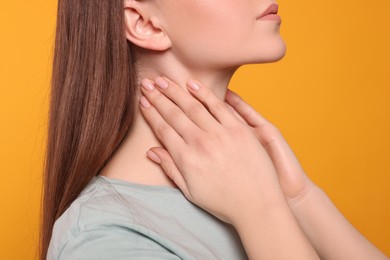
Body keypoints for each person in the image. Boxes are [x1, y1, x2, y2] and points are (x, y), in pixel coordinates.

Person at [40, 0, 387, 259]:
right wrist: (261, 208)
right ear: (145, 23)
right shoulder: (107, 242)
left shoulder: (260, 186)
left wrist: (301, 199)